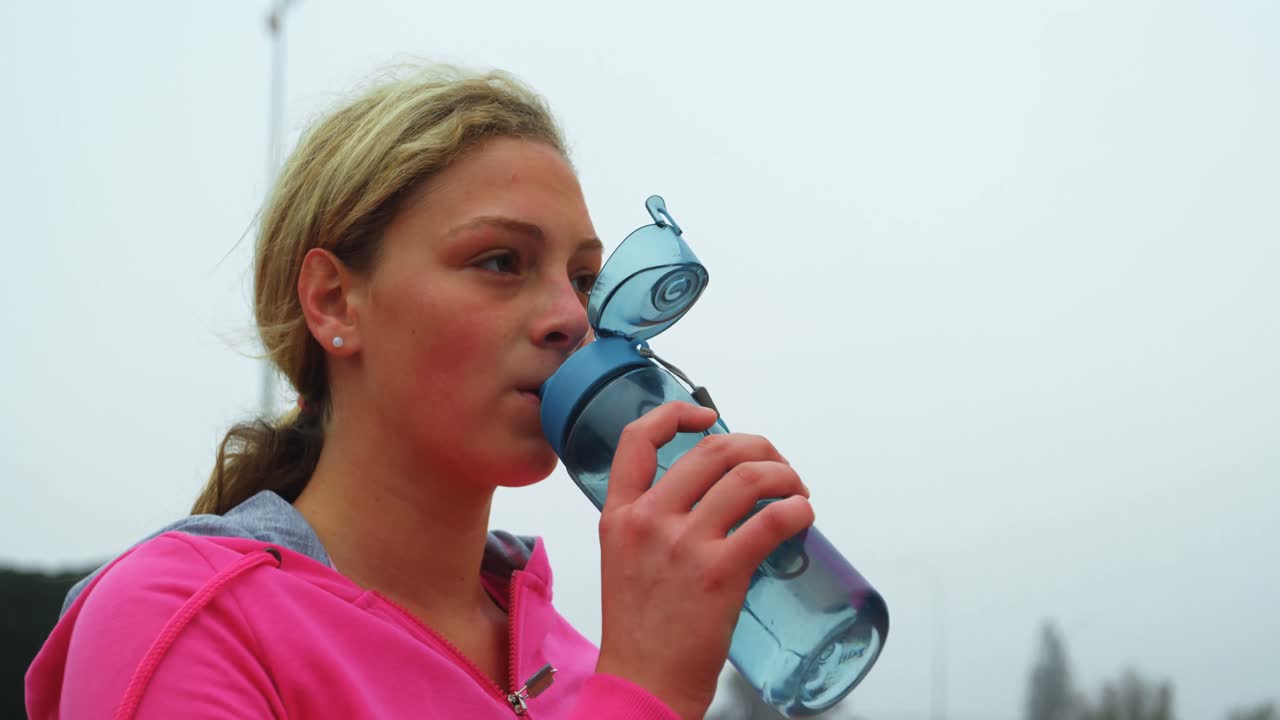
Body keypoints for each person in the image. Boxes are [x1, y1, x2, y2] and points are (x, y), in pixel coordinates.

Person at [25, 65, 813, 720]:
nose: (573, 319)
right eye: (500, 261)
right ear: (335, 302)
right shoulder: (182, 621)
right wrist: (645, 692)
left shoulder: (569, 662)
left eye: (583, 279)